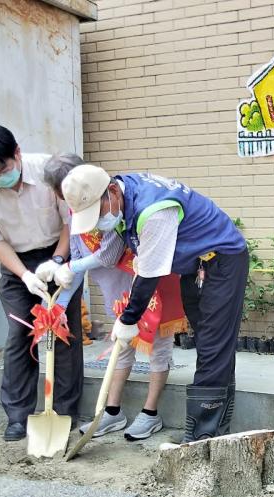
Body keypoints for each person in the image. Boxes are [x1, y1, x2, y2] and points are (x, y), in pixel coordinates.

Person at [60, 164, 248, 442]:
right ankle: (216, 429)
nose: (98, 221)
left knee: (212, 345)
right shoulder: (125, 198)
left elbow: (149, 274)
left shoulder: (154, 208)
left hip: (222, 261)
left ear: (111, 192)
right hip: (194, 266)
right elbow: (117, 253)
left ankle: (202, 437)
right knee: (211, 342)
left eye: (97, 213)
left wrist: (128, 319)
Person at [43, 154, 186, 441]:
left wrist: (71, 266)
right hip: (117, 293)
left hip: (149, 286)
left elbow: (108, 256)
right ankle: (112, 412)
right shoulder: (77, 214)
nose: (68, 201)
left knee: (159, 346)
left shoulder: (115, 209)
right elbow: (78, 258)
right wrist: (58, 303)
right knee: (120, 347)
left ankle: (150, 414)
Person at [0, 125, 83, 441]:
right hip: (17, 263)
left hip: (60, 256)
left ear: (16, 153)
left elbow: (72, 222)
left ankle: (65, 412)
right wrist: (25, 275)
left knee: (63, 333)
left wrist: (56, 261)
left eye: (2, 168)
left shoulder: (48, 170)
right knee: (20, 334)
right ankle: (17, 416)